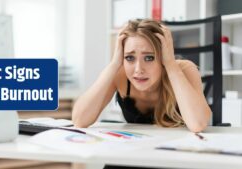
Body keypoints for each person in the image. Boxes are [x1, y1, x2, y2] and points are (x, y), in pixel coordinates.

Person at [72, 18, 212, 169]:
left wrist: (170, 64)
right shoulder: (119, 74)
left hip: (174, 158)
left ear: (163, 56)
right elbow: (80, 120)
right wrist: (114, 64)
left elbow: (198, 124)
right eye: (130, 57)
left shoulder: (184, 70)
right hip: (133, 153)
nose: (138, 69)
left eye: (149, 57)